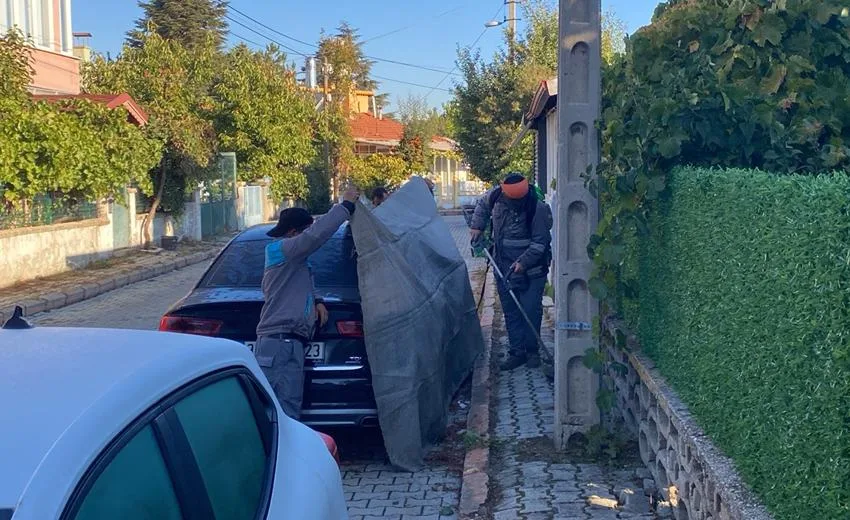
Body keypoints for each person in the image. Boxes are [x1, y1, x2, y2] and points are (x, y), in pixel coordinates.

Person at [254, 186, 359, 419]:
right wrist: (345, 207)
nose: (306, 235)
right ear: (293, 233)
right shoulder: (281, 250)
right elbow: (315, 237)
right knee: (276, 413)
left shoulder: (295, 262)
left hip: (290, 342)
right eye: (303, 232)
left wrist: (317, 300)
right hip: (278, 343)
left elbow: (304, 280)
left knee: (289, 409)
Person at [470, 173, 552, 371]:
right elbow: (482, 205)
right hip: (503, 265)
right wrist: (477, 226)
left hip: (532, 269)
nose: (514, 203)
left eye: (518, 200)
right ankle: (517, 352)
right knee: (511, 310)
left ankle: (532, 352)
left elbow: (540, 243)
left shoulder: (537, 208)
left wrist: (522, 263)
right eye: (511, 199)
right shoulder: (496, 197)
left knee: (530, 309)